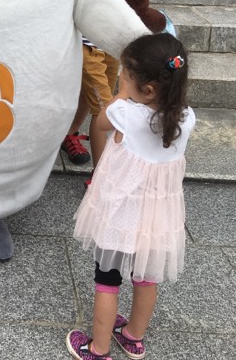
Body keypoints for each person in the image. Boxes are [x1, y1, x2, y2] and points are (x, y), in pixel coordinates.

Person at [66, 32, 195, 360]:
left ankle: (98, 348)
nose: (121, 78)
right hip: (157, 219)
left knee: (106, 279)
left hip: (121, 212)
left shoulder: (126, 111)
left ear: (147, 89)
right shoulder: (187, 117)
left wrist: (122, 95)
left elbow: (102, 121)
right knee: (146, 276)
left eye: (126, 75)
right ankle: (134, 337)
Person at [61, 0, 146, 180]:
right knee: (104, 107)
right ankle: (100, 176)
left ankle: (69, 134)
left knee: (92, 98)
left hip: (111, 42)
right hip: (88, 45)